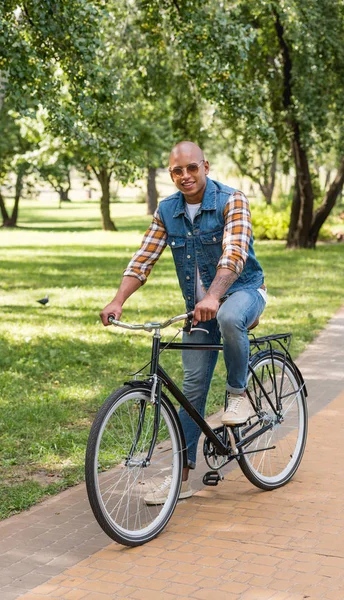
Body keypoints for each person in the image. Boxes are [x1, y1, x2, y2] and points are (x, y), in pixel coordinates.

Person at [100, 141, 266, 504]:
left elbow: (234, 254)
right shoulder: (168, 210)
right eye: (178, 171)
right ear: (171, 173)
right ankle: (182, 479)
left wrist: (214, 295)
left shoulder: (231, 200)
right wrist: (118, 300)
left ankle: (239, 397)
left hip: (244, 292)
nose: (186, 176)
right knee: (191, 389)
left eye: (192, 168)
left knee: (228, 314)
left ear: (205, 166)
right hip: (199, 309)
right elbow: (143, 259)